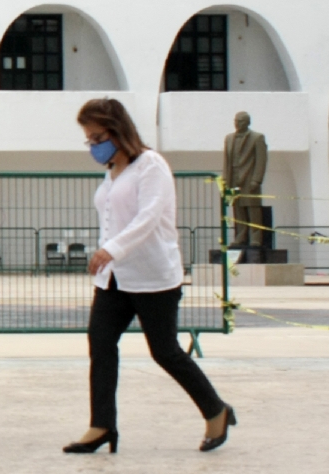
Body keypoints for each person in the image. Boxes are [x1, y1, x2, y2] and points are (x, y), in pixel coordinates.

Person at [64, 97, 236, 454]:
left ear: (118, 131)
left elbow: (149, 218)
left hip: (154, 277)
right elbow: (112, 217)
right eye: (89, 140)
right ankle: (102, 425)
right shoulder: (112, 171)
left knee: (165, 351)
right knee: (101, 345)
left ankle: (216, 411)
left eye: (98, 138)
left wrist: (111, 249)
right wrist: (107, 257)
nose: (94, 146)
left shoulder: (151, 166)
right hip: (114, 279)